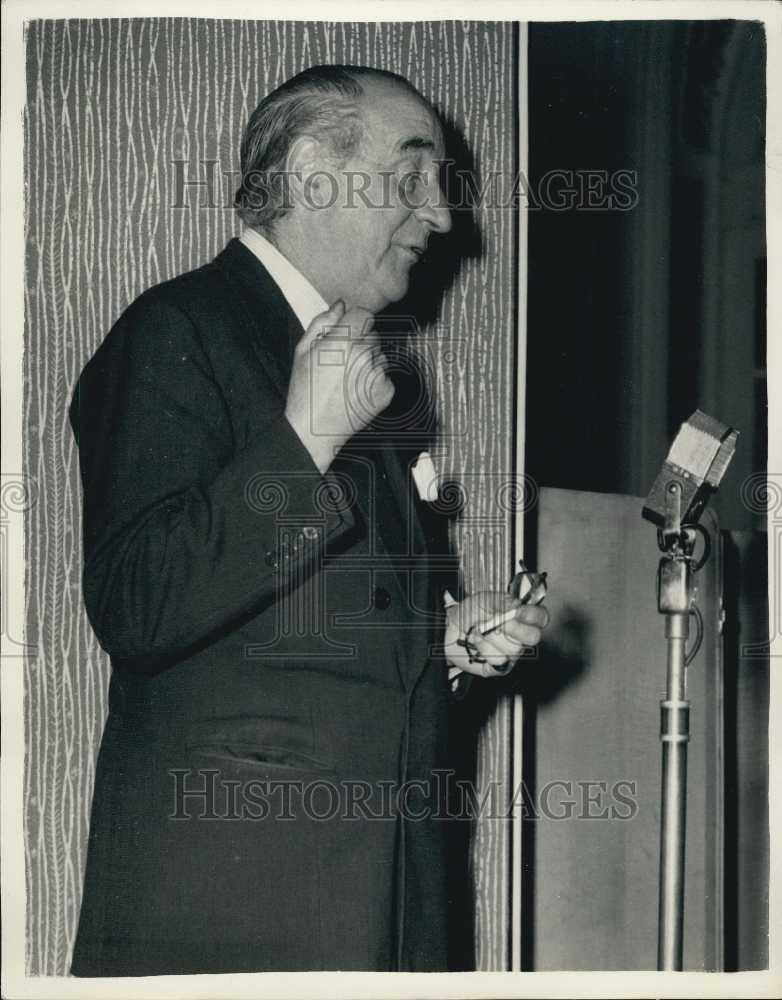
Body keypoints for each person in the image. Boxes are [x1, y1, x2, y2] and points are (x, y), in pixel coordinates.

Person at [69, 64, 547, 976]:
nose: (443, 217)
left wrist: (435, 636)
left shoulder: (362, 369)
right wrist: (305, 436)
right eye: (411, 178)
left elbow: (285, 622)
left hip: (386, 899)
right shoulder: (177, 329)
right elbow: (136, 603)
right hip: (236, 909)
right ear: (307, 173)